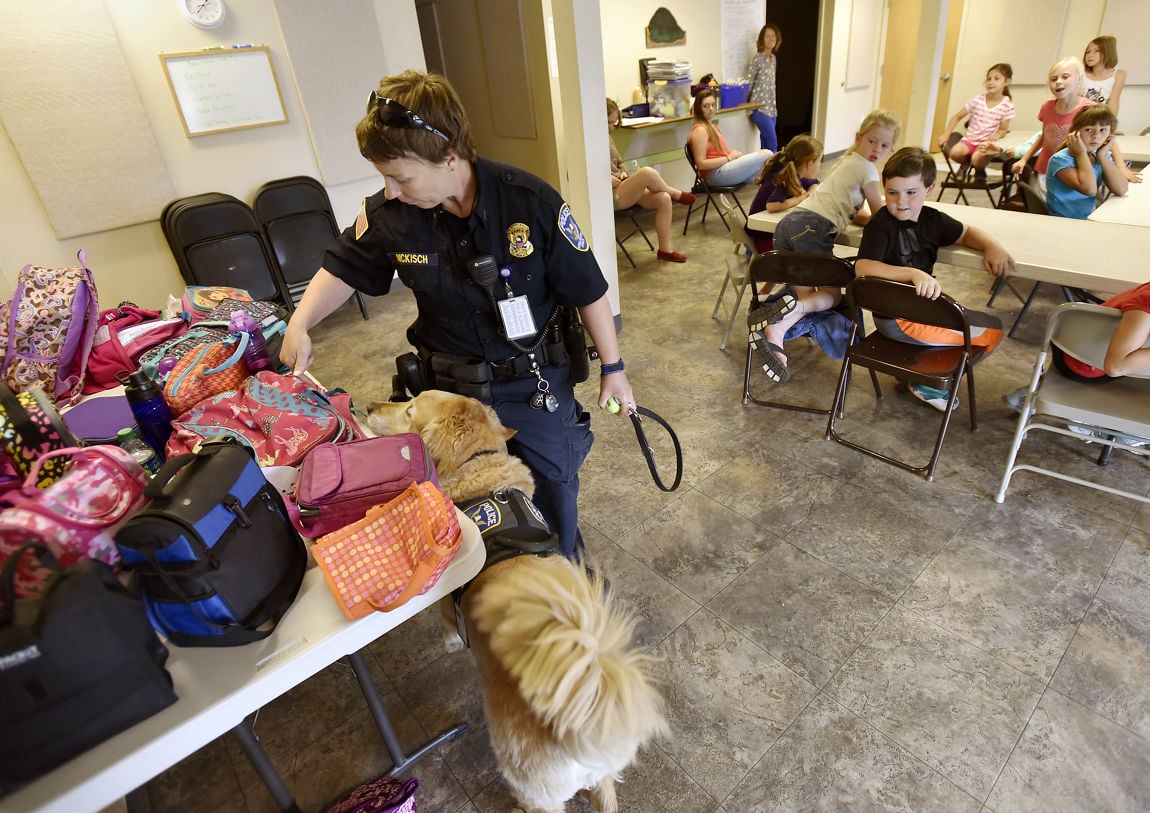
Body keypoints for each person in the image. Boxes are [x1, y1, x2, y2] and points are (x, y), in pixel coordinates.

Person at [279, 71, 634, 559]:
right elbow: (343, 266)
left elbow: (589, 289)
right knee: (465, 502)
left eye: (401, 177)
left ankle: (565, 571)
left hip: (534, 386)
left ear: (449, 157)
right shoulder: (392, 213)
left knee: (554, 489)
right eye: (384, 177)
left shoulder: (528, 202)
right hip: (449, 394)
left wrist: (614, 369)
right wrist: (299, 322)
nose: (392, 190)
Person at [854, 147, 1015, 411]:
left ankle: (914, 370)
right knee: (993, 332)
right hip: (898, 320)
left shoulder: (932, 220)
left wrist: (991, 246)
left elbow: (966, 233)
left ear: (930, 190)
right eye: (892, 193)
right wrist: (913, 273)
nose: (900, 201)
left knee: (978, 324)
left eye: (911, 192)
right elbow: (863, 267)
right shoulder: (881, 224)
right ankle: (926, 382)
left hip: (920, 312)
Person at [747, 111, 898, 384]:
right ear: (859, 138)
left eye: (884, 145)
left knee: (808, 302)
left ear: (891, 147)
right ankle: (780, 323)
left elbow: (853, 211)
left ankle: (776, 333)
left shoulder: (847, 162)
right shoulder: (867, 168)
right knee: (831, 295)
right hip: (811, 228)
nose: (877, 149)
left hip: (789, 226)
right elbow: (880, 213)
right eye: (873, 141)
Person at [1002, 281, 1150, 445]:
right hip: (1084, 362)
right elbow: (1116, 367)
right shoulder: (1146, 301)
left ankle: (1039, 391)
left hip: (1088, 351)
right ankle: (1113, 428)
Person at [607, 98, 695, 263]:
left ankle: (665, 250)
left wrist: (624, 174)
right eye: (609, 122)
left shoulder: (608, 138)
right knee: (647, 172)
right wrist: (606, 180)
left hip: (623, 187)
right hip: (610, 196)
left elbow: (619, 163)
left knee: (664, 199)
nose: (612, 127)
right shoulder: (587, 143)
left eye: (614, 122)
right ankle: (675, 192)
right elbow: (587, 176)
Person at [1011, 57, 1091, 190]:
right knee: (1044, 206)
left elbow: (1106, 141)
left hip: (1074, 171)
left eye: (1065, 77)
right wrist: (1024, 159)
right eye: (1053, 79)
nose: (1058, 82)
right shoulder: (1047, 107)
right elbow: (1045, 136)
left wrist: (1120, 167)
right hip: (1046, 168)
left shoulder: (1089, 109)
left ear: (1079, 79)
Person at [1045, 104, 1128, 218]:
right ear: (1075, 132)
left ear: (1110, 134)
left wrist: (1102, 156)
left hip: (1088, 216)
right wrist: (1081, 153)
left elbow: (1121, 189)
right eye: (1088, 129)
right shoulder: (1060, 160)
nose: (1096, 136)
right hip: (1063, 220)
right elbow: (1089, 189)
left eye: (1103, 130)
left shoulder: (1098, 155)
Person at [746, 134, 823, 254]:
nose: (820, 166)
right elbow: (772, 205)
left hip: (763, 233)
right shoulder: (784, 176)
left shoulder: (794, 172)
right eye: (819, 161)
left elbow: (814, 182)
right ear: (809, 163)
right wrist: (800, 198)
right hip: (761, 237)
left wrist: (808, 193)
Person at [937, 63, 1015, 175]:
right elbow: (957, 117)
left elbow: (1003, 129)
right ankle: (965, 164)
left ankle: (979, 168)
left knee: (976, 160)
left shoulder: (1007, 104)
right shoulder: (978, 100)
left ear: (1006, 82)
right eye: (989, 79)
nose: (991, 82)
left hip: (986, 144)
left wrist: (997, 135)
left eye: (996, 79)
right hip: (969, 140)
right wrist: (946, 135)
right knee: (954, 153)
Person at [687, 88, 772, 187]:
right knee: (767, 153)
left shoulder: (713, 127)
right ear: (699, 109)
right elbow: (701, 164)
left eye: (713, 105)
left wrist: (732, 157)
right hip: (715, 175)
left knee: (767, 173)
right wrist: (729, 158)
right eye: (706, 106)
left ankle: (773, 199)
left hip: (723, 169)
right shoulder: (700, 130)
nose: (711, 108)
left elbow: (720, 154)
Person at [746, 23, 782, 152]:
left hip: (772, 108)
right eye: (768, 36)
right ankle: (774, 171)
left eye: (773, 36)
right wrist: (745, 102)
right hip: (759, 108)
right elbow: (749, 82)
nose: (771, 39)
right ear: (762, 39)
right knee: (773, 141)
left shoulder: (773, 58)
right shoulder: (758, 58)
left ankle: (763, 171)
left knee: (766, 143)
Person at [1082, 36, 1126, 120]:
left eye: (1096, 51)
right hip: (1079, 120)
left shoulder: (1119, 74)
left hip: (1101, 122)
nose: (1090, 55)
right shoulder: (1081, 72)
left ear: (1108, 52)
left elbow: (1114, 103)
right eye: (1088, 52)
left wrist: (1111, 127)